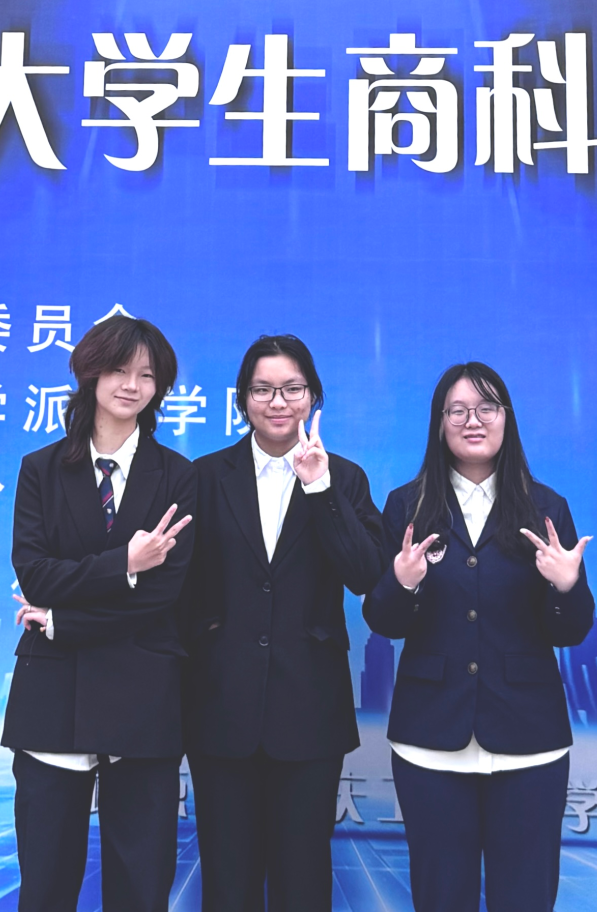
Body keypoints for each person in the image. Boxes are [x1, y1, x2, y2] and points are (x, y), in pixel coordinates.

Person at [362, 362, 594, 912]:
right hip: (430, 736)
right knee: (441, 897)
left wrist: (566, 586)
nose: (473, 421)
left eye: (487, 408)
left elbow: (571, 631)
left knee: (526, 897)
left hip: (528, 737)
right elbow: (384, 622)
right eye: (458, 410)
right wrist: (402, 582)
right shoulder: (406, 505)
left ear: (506, 419)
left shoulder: (546, 508)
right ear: (439, 422)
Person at [180, 335, 385, 912]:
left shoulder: (344, 478)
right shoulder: (203, 476)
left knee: (303, 880)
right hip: (220, 708)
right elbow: (181, 589)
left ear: (313, 396)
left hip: (309, 709)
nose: (278, 402)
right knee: (227, 881)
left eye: (292, 389)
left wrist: (318, 487)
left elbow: (366, 574)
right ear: (242, 400)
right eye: (263, 390)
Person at [2, 315, 197, 912]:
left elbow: (164, 595)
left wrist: (63, 621)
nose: (132, 385)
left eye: (147, 375)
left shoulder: (179, 476)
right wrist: (125, 563)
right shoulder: (41, 468)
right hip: (53, 698)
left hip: (142, 700)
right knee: (45, 883)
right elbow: (35, 574)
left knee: (141, 886)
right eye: (118, 369)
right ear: (89, 374)